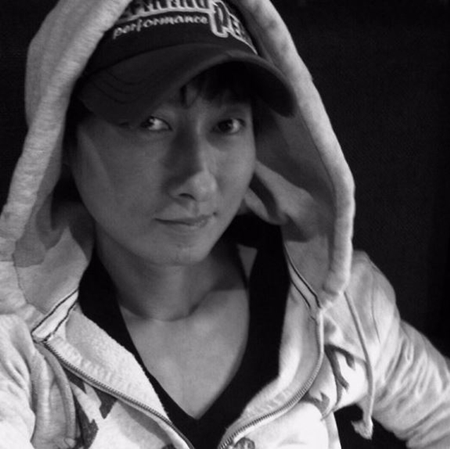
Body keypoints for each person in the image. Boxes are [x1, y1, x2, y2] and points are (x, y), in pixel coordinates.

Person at [0, 0, 449, 448]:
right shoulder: (18, 346)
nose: (197, 178)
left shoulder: (339, 307)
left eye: (227, 124)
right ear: (62, 139)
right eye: (151, 122)